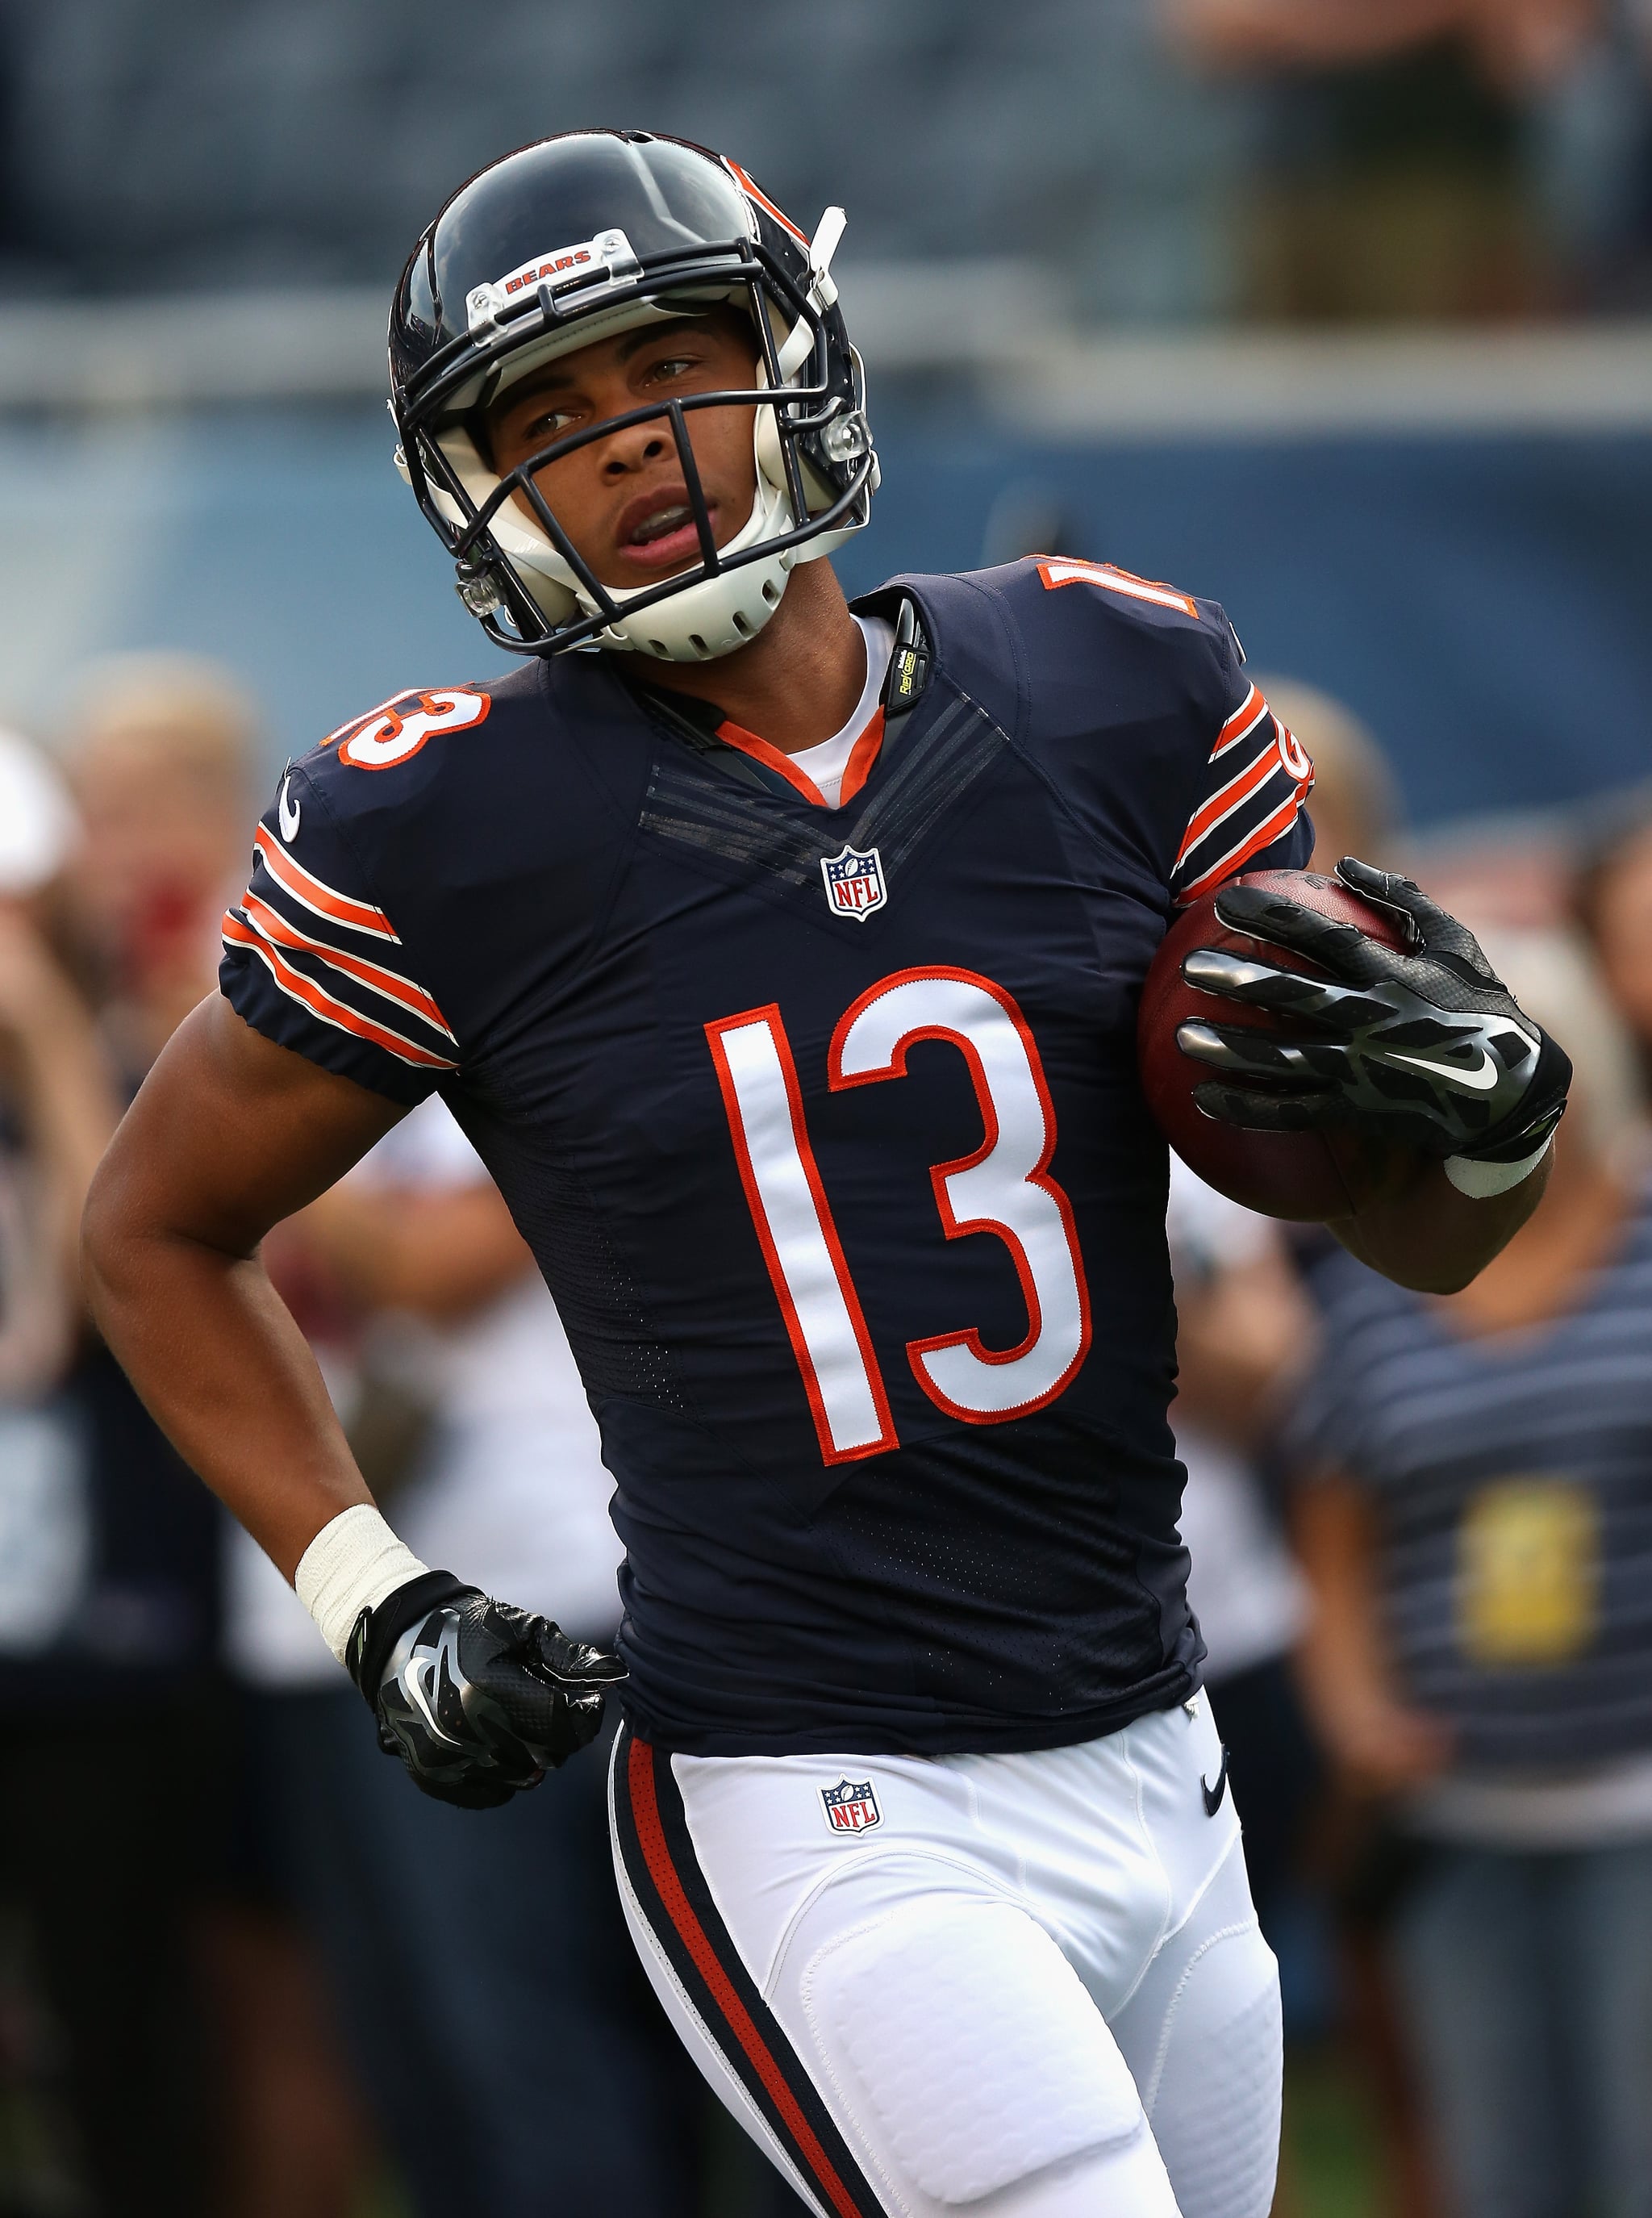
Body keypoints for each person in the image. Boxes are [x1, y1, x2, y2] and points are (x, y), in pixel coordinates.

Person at [81, 131, 1571, 2218]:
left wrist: (1492, 1123)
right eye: (552, 418)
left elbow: (1391, 1219)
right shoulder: (451, 824)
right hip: (816, 1787)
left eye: (664, 362)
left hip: (1161, 1743)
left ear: (793, 350)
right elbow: (151, 1226)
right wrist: (369, 1586)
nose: (628, 445)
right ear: (471, 484)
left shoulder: (1114, 679)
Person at [232, 1096, 711, 2216]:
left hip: (553, 1600)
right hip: (361, 1622)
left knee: (550, 2068)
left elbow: (420, 1263)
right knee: (433, 2079)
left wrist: (230, 1140)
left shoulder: (501, 984)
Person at [1289, 929, 1652, 2218]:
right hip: (1457, 1807)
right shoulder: (1379, 1278)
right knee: (1491, 2171)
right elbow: (1334, 1544)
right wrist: (1359, 1722)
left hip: (1637, 1800)